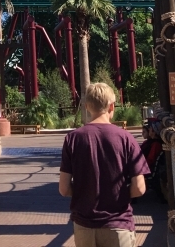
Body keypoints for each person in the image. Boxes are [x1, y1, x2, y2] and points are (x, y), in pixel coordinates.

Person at [59, 83, 150, 247]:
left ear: (87, 107)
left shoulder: (73, 139)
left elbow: (64, 188)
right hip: (118, 224)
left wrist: (85, 194)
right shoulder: (126, 138)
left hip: (84, 225)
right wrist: (117, 195)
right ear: (111, 106)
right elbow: (139, 188)